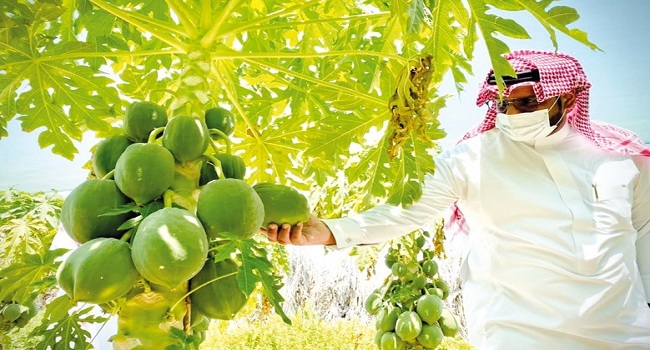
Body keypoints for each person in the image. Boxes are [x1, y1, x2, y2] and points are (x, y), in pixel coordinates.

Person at [263, 50, 650, 349]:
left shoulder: (621, 155)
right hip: (521, 337)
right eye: (502, 104)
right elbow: (403, 212)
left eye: (526, 103)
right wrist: (329, 231)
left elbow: (644, 234)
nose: (511, 113)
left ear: (565, 97)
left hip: (626, 337)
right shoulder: (472, 158)